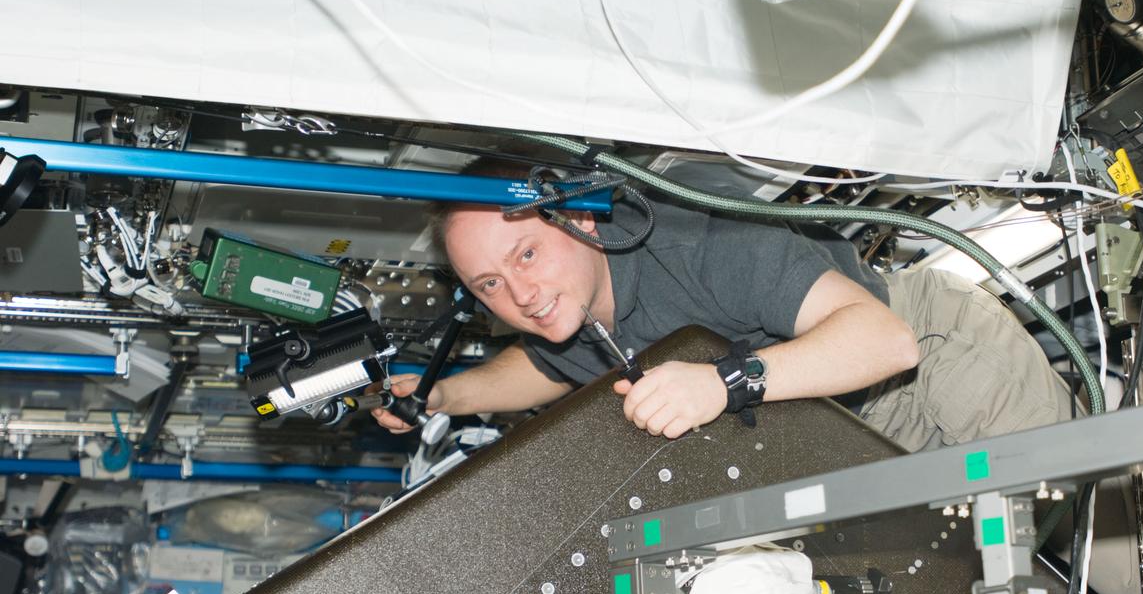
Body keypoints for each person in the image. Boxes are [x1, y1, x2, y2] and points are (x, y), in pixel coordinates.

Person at [373, 164, 1074, 453]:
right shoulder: (567, 312)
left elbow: (885, 342)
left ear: (581, 219)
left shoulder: (694, 238)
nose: (520, 295)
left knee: (1101, 554)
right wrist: (447, 395)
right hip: (849, 429)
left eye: (525, 254)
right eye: (489, 284)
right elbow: (544, 369)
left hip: (933, 361)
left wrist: (721, 382)